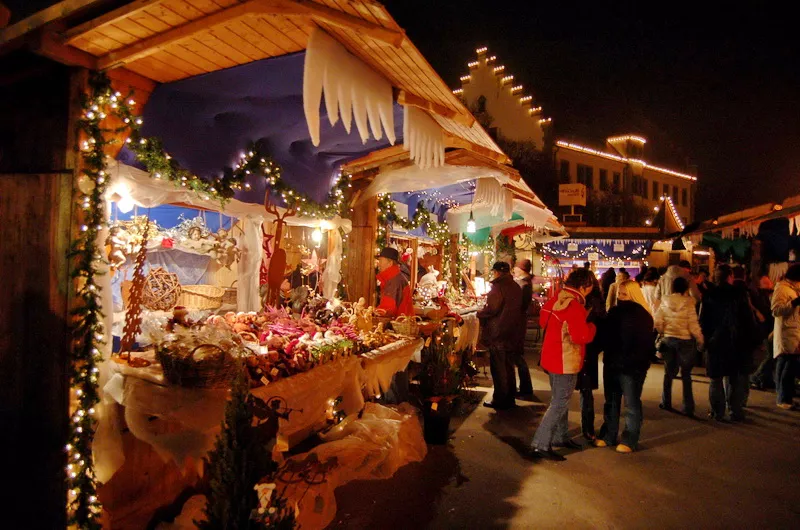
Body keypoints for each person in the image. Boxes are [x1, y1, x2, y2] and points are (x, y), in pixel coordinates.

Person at [527, 268, 596, 461]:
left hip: (551, 357)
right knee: (559, 403)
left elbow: (543, 321)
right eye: (590, 287)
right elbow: (580, 336)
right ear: (583, 287)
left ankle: (560, 436)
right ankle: (540, 443)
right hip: (565, 360)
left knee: (560, 400)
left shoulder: (556, 300)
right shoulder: (574, 306)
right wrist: (592, 326)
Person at [594, 280, 655, 453]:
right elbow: (605, 336)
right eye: (619, 294)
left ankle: (629, 438)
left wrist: (638, 362)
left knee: (631, 403)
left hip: (631, 366)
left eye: (624, 294)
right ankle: (610, 435)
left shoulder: (642, 315)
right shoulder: (615, 312)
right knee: (612, 401)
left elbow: (644, 343)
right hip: (614, 362)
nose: (621, 297)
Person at [699, 265, 759, 421]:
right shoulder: (739, 294)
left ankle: (717, 412)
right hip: (735, 341)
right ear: (730, 276)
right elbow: (747, 319)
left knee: (716, 378)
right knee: (734, 377)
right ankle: (735, 411)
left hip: (715, 342)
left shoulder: (709, 295)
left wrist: (704, 340)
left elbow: (703, 320)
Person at [654, 276, 704, 417]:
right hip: (685, 341)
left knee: (668, 373)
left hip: (669, 339)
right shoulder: (689, 302)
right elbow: (693, 324)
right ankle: (688, 407)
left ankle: (666, 402)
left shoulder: (665, 300)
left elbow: (658, 321)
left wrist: (662, 331)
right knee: (686, 375)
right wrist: (700, 339)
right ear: (686, 288)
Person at [478, 261, 524, 410]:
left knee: (498, 368)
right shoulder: (515, 286)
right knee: (508, 366)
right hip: (512, 332)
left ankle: (499, 399)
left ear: (497, 272)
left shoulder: (498, 287)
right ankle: (509, 398)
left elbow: (492, 309)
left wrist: (480, 313)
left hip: (498, 332)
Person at [578, 274, 606, 441]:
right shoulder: (598, 303)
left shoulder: (582, 303)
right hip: (589, 352)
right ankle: (588, 429)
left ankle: (562, 432)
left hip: (581, 349)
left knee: (567, 392)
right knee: (585, 392)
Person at [770, 263, 800, 410]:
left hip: (793, 331)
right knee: (787, 365)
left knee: (788, 365)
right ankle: (783, 398)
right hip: (787, 333)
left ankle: (784, 397)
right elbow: (776, 310)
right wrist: (793, 303)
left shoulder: (793, 288)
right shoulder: (781, 288)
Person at [513, 259, 535, 398]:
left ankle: (526, 388)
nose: (514, 269)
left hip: (518, 322)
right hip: (519, 321)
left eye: (516, 267)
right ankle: (524, 387)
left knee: (517, 355)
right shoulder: (523, 282)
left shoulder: (524, 284)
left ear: (521, 269)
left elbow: (521, 304)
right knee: (516, 355)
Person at [375, 247, 414, 318]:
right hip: (402, 323)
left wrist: (375, 312)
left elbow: (388, 309)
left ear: (390, 263)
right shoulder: (394, 278)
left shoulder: (394, 281)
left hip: (399, 325)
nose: (379, 264)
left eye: (381, 261)